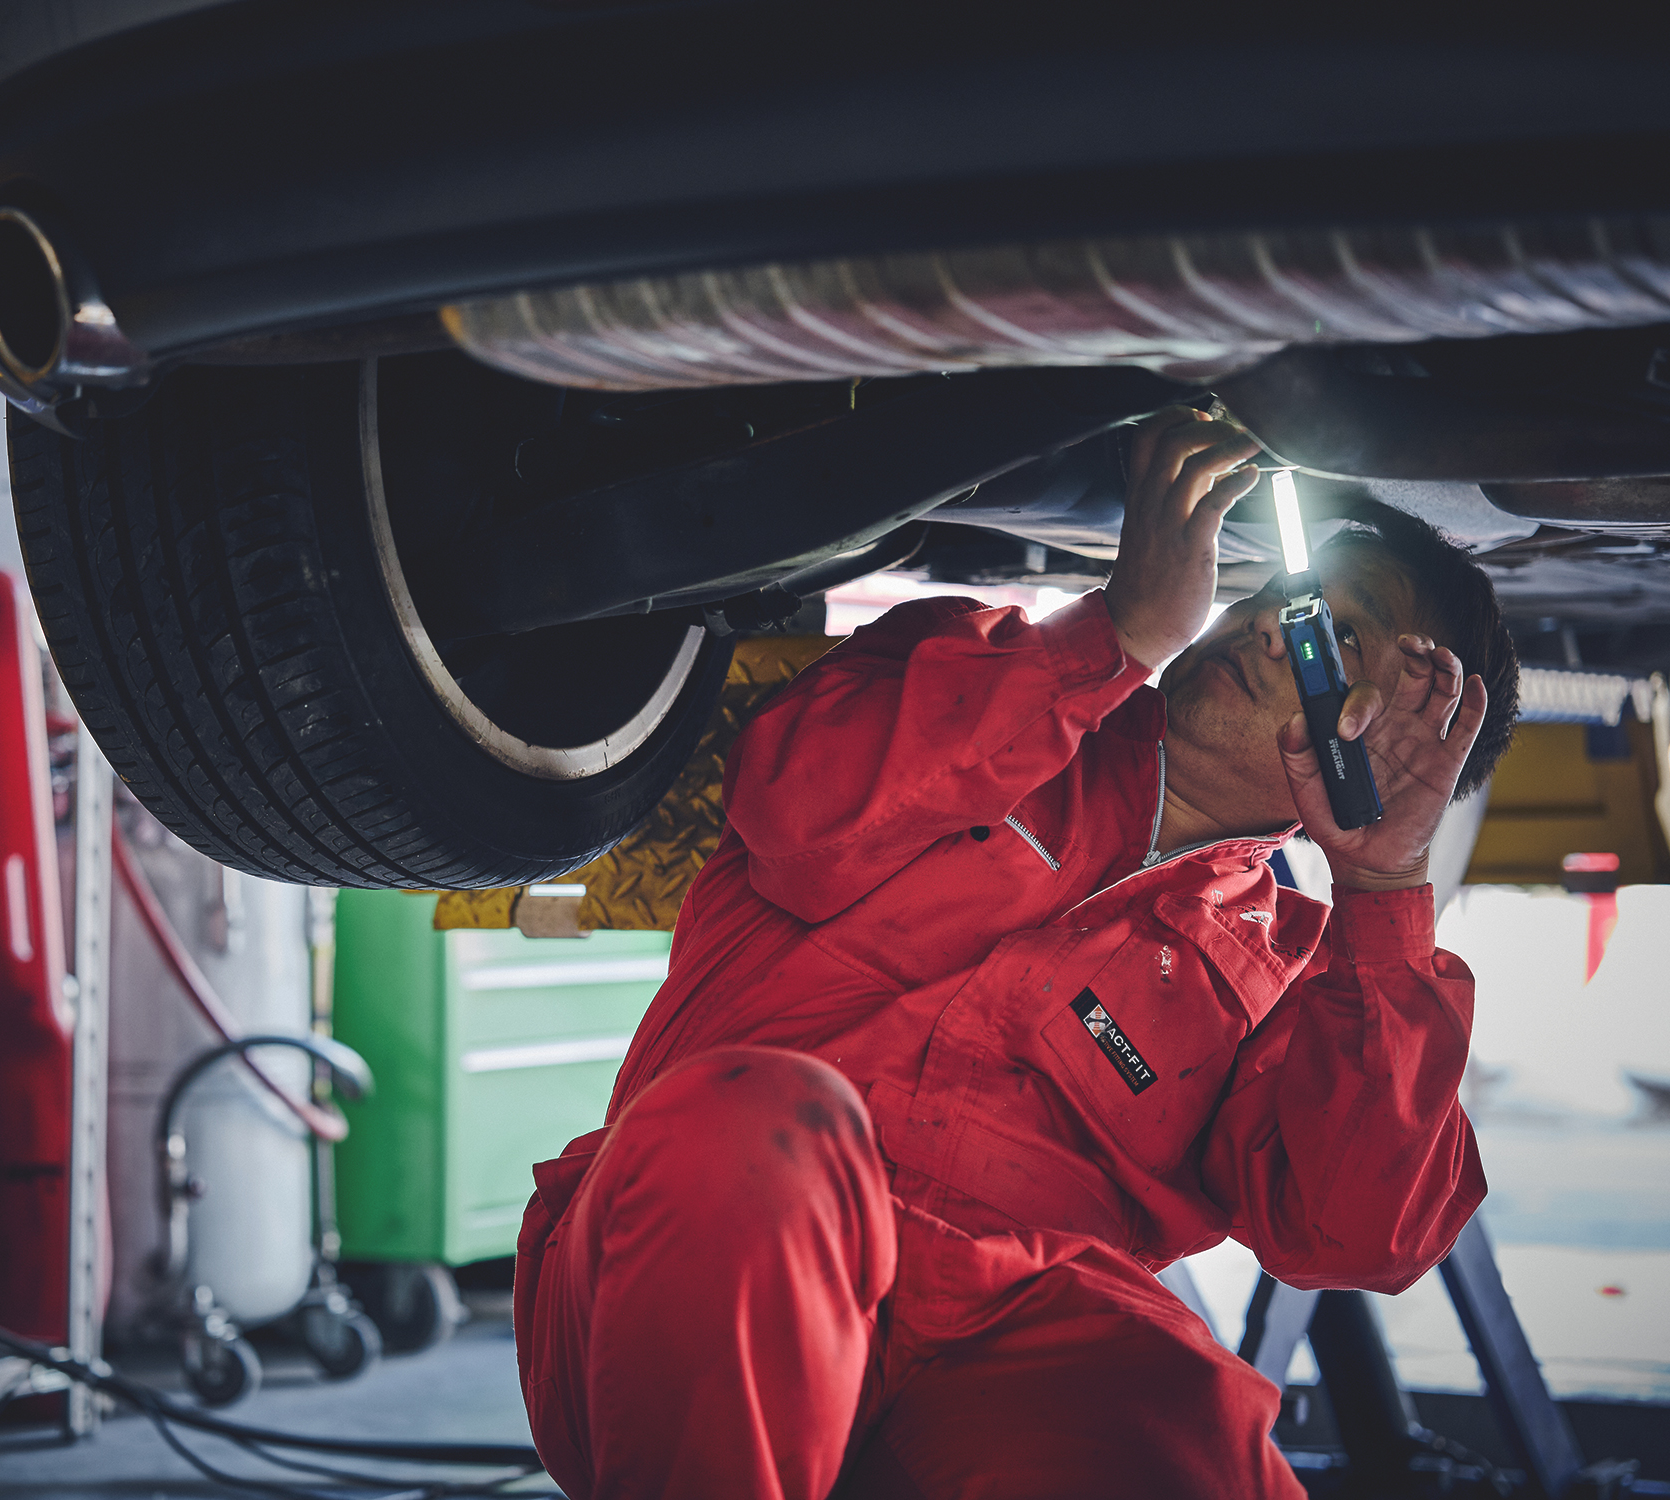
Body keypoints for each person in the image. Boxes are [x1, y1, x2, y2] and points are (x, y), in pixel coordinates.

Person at [510, 406, 1523, 1500]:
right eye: (1288, 596)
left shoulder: (1289, 980)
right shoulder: (973, 681)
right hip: (687, 1289)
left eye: (1340, 640)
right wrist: (1115, 637)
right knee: (752, 1121)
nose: (1278, 626)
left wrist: (1381, 889)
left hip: (991, 1352)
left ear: (1396, 743)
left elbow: (1356, 1233)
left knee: (1183, 1419)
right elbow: (802, 814)